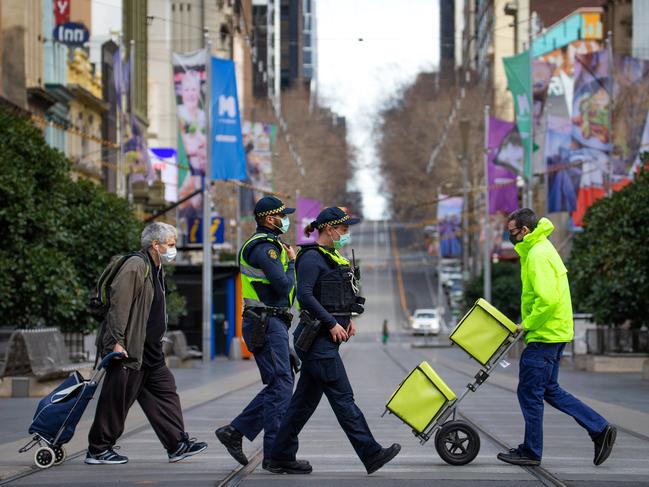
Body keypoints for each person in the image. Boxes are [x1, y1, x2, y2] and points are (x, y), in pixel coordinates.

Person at [267, 207, 401, 475]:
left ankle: (279, 456)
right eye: (343, 229)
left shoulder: (332, 257)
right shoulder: (311, 258)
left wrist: (346, 319)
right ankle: (371, 453)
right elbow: (305, 296)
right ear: (329, 229)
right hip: (318, 342)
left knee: (301, 404)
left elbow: (335, 295)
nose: (346, 234)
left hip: (324, 340)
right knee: (344, 399)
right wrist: (331, 323)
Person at [497, 208, 616, 467]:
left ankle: (531, 451)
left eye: (512, 232)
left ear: (525, 231)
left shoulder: (538, 255)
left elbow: (547, 299)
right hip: (555, 333)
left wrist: (525, 325)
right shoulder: (542, 247)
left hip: (544, 334)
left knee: (529, 391)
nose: (510, 236)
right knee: (549, 389)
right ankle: (599, 428)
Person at [86, 222, 207, 465]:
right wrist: (117, 342)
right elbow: (120, 306)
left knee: (165, 392)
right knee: (117, 398)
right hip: (130, 347)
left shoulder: (156, 268)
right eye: (170, 244)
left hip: (150, 350)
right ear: (155, 244)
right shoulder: (136, 266)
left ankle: (177, 444)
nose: (174, 249)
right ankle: (98, 449)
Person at [215, 196, 303, 471]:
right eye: (281, 216)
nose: (285, 220)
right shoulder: (265, 248)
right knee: (281, 385)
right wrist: (291, 262)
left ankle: (235, 431)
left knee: (280, 384)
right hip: (265, 322)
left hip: (270, 322)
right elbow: (281, 284)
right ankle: (275, 456)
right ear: (268, 219)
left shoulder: (270, 245)